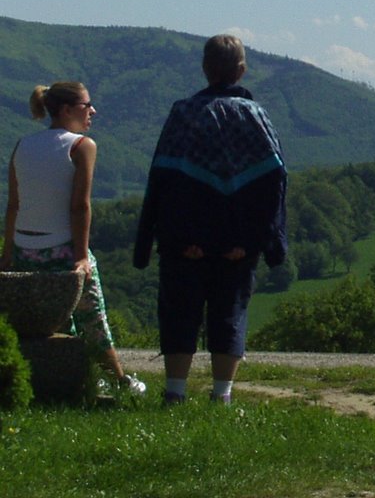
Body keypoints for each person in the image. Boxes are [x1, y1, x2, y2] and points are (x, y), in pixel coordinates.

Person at [134, 34, 287, 404]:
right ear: (241, 70)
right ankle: (222, 396)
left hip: (185, 239)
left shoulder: (183, 113)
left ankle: (175, 393)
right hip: (237, 241)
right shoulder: (256, 116)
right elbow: (273, 183)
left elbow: (162, 177)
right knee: (230, 312)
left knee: (179, 312)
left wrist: (157, 239)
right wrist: (260, 241)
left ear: (205, 69)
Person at [2, 81, 146, 395]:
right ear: (67, 110)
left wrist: (8, 252)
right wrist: (81, 255)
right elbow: (80, 206)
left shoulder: (22, 145)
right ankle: (120, 381)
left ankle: (62, 381)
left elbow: (14, 205)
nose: (92, 111)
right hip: (62, 249)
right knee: (93, 316)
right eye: (86, 105)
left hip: (25, 248)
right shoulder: (82, 145)